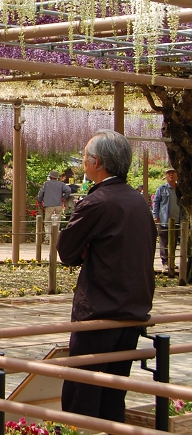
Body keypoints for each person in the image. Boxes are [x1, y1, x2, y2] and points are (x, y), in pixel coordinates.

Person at [57, 130, 156, 422]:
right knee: (113, 395)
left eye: (85, 156)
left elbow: (67, 251)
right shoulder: (138, 201)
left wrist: (87, 250)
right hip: (133, 309)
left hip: (99, 311)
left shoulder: (97, 202)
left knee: (82, 395)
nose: (83, 161)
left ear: (97, 162)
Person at [152, 167, 180, 267]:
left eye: (173, 173)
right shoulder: (161, 189)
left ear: (177, 175)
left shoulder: (180, 189)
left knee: (173, 242)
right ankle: (165, 262)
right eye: (169, 173)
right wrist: (155, 215)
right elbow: (156, 202)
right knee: (164, 242)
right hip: (164, 220)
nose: (171, 175)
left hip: (177, 220)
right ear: (166, 176)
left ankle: (172, 262)